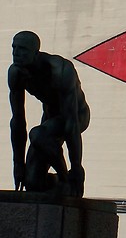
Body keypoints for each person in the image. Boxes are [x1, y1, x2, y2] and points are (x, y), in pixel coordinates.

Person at [8, 31, 90, 197]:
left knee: (38, 135)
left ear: (36, 53)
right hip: (50, 119)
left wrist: (76, 167)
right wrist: (18, 163)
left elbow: (70, 122)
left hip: (77, 116)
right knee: (33, 183)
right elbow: (17, 121)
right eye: (14, 48)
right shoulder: (16, 73)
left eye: (23, 49)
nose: (16, 53)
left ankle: (66, 179)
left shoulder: (60, 70)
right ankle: (58, 183)